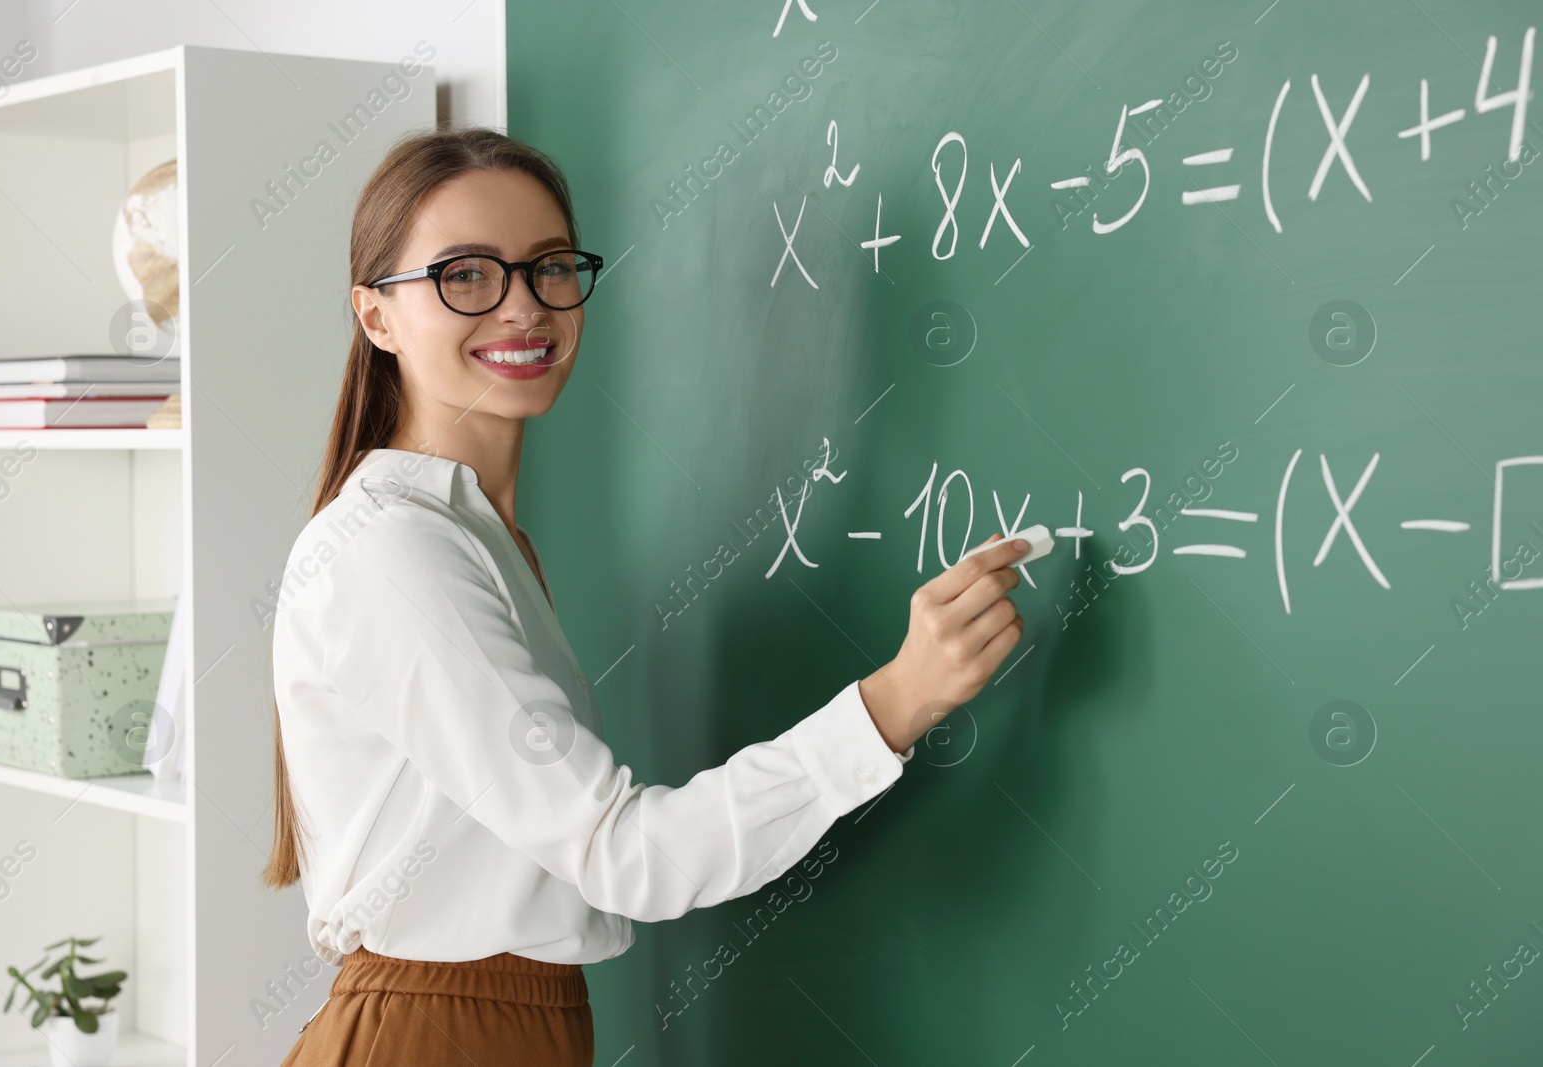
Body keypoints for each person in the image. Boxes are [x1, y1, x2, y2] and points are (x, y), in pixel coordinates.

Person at [268, 126, 1031, 1066]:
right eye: (465, 275)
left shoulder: (473, 536)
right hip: (438, 1036)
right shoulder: (395, 550)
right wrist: (894, 703)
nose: (522, 307)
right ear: (376, 316)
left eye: (549, 268)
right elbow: (627, 853)